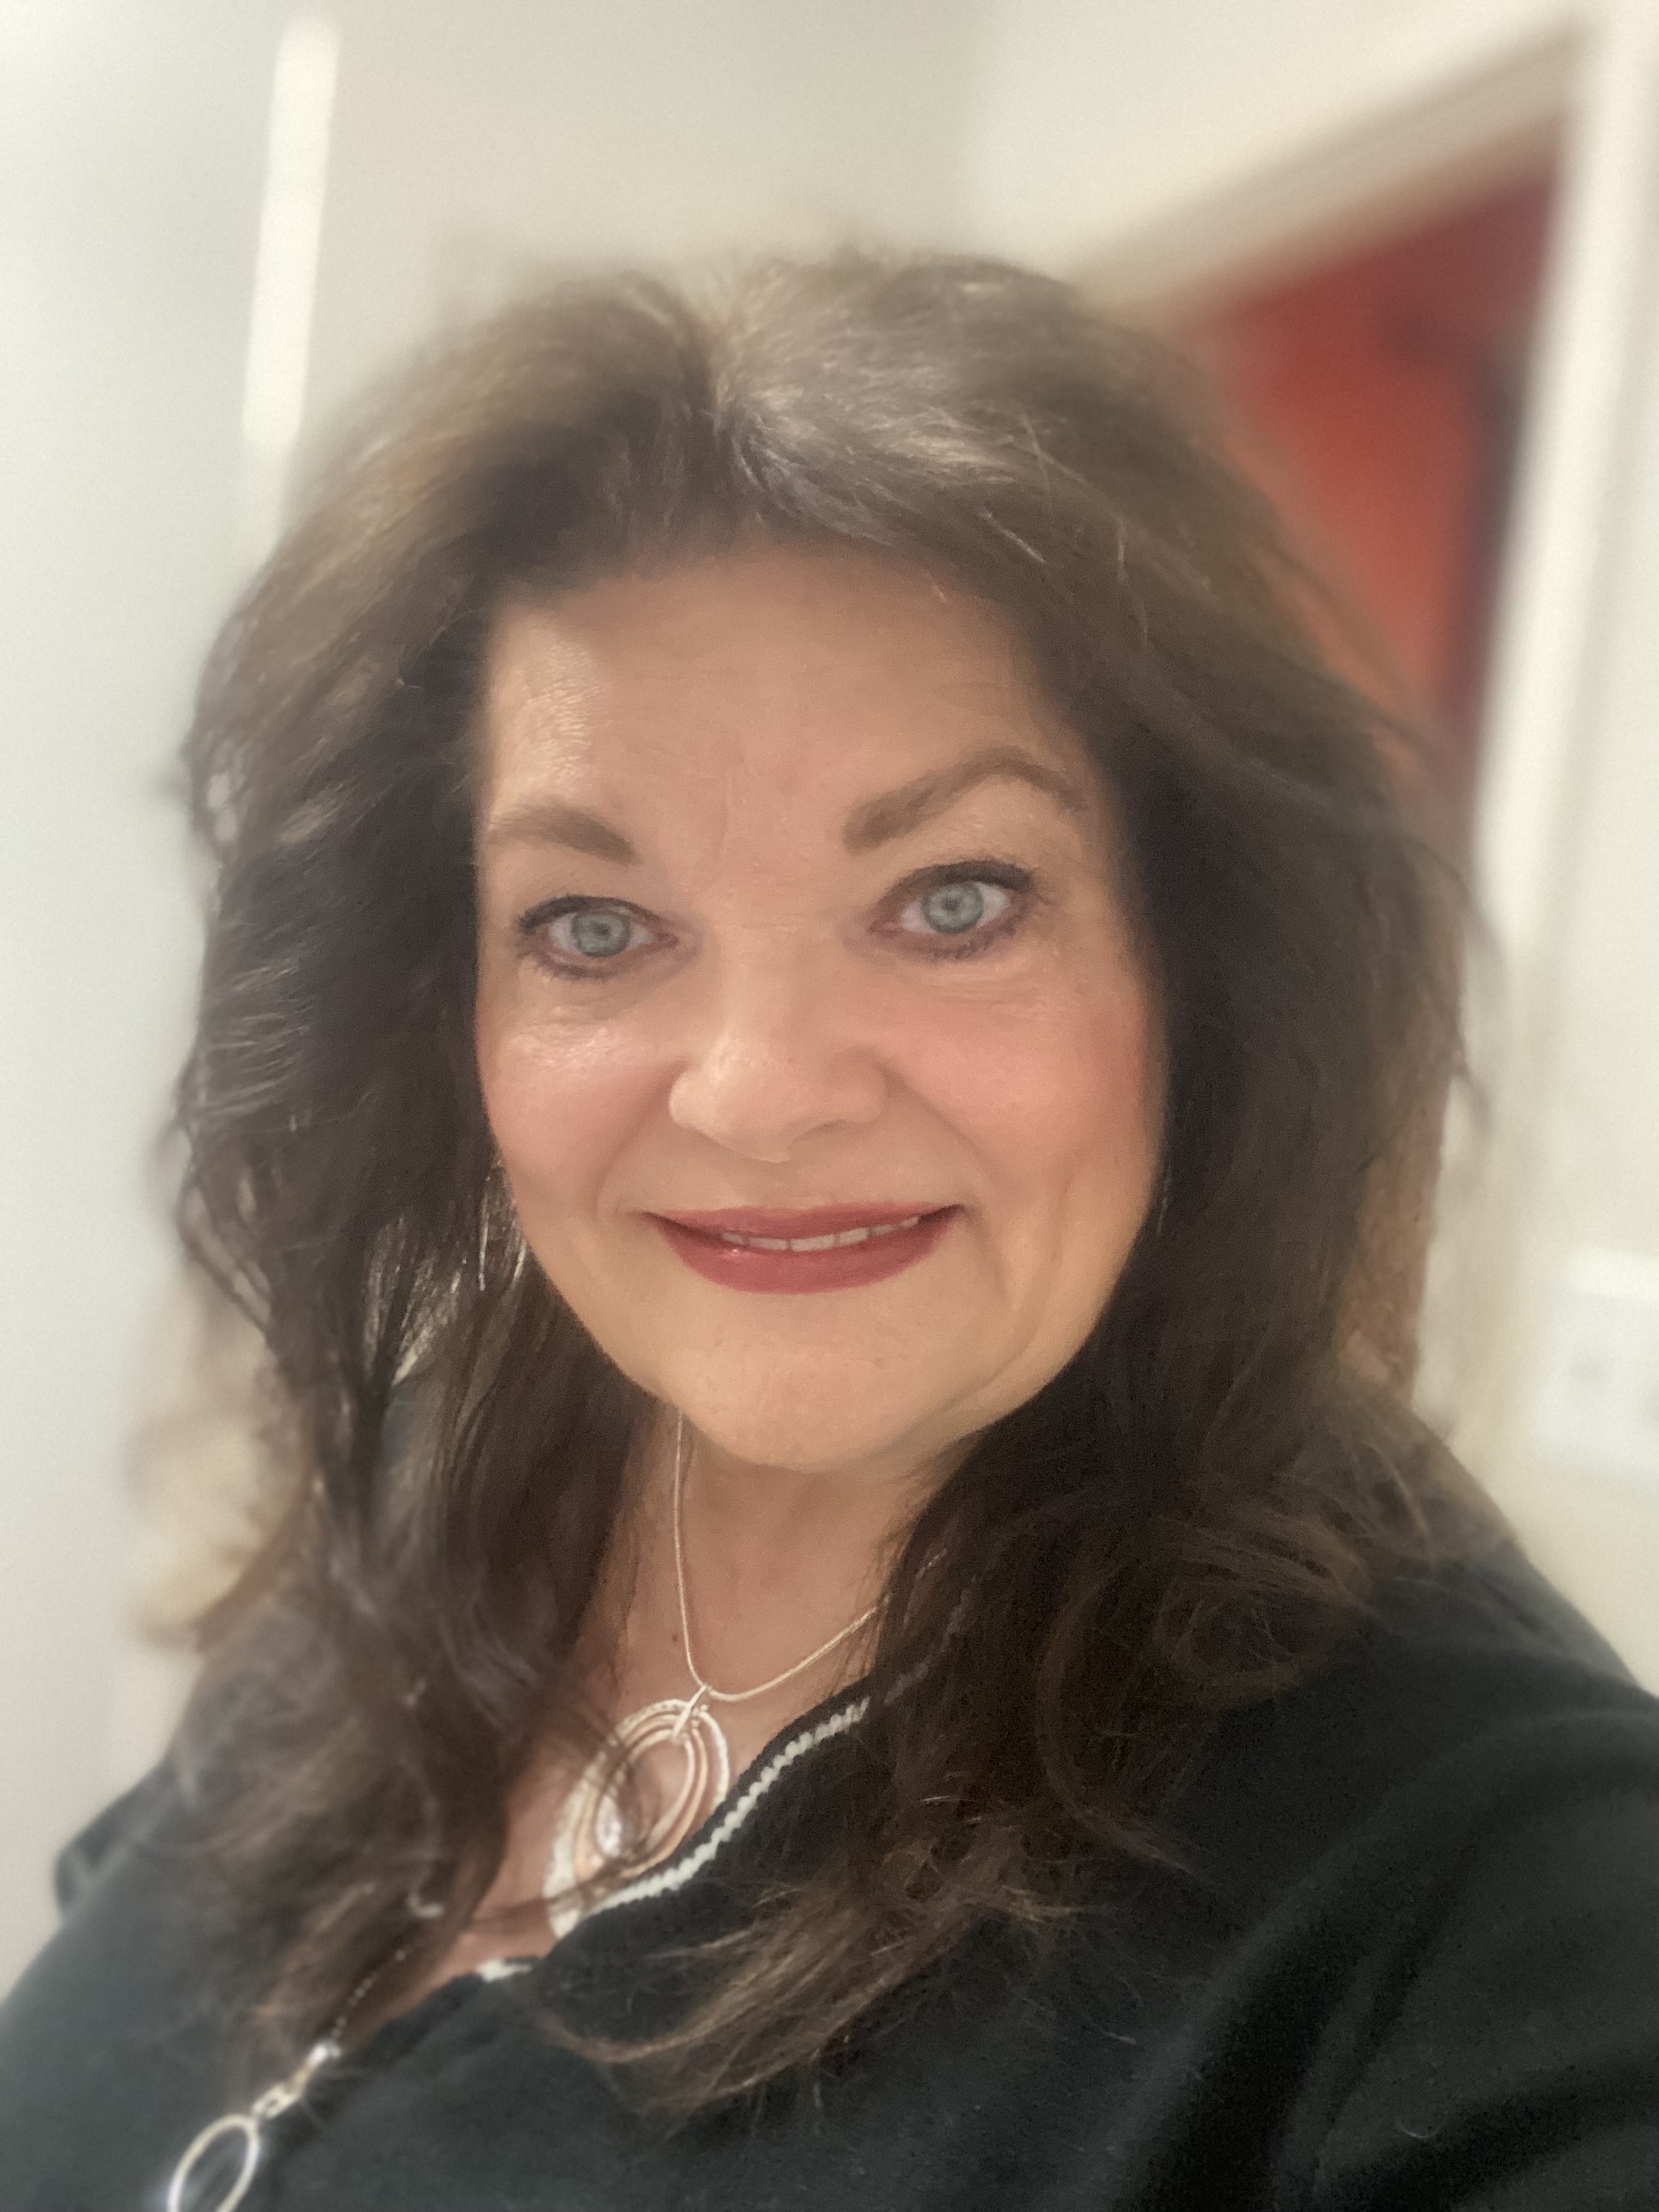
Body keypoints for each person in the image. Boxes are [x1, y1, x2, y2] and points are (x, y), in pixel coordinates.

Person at [1, 251, 1655, 2212]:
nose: (759, 1093)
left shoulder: (1496, 1895)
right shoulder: (446, 1472)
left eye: (955, 900)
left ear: (1204, 969)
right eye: (592, 925)